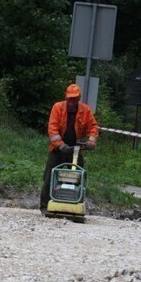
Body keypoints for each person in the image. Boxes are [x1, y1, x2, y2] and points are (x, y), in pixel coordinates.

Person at [39, 83, 99, 214]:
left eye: (75, 98)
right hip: (57, 150)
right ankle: (45, 206)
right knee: (50, 177)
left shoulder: (85, 111)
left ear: (79, 98)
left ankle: (76, 204)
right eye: (70, 98)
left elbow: (93, 127)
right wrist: (60, 145)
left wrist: (90, 142)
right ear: (66, 98)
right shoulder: (57, 108)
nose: (72, 101)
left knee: (79, 177)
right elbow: (52, 129)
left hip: (76, 151)